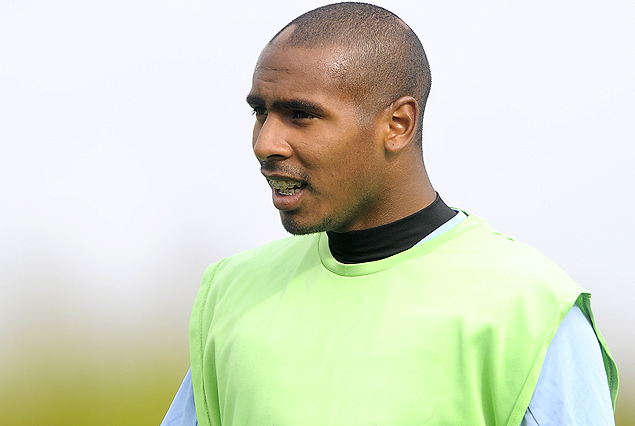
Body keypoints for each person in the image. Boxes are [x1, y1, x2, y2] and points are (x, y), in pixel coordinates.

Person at [161, 3, 618, 425]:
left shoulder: (530, 310)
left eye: (301, 115)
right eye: (260, 113)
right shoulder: (231, 293)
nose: (265, 144)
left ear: (398, 124)